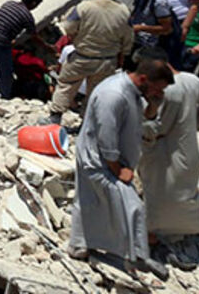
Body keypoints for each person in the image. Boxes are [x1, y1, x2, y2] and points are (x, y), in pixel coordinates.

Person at [68, 57, 174, 279]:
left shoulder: (134, 91)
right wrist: (118, 169)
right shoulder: (113, 94)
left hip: (112, 161)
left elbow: (143, 116)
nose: (159, 92)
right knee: (132, 206)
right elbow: (106, 137)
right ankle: (137, 256)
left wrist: (154, 104)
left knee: (94, 202)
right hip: (99, 160)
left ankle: (82, 245)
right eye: (158, 88)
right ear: (143, 79)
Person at [136, 47, 199, 244]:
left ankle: (153, 234)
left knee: (158, 195)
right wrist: (194, 124)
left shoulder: (162, 91)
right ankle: (185, 230)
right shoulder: (192, 80)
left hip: (164, 152)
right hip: (188, 149)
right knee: (184, 193)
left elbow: (153, 127)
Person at [47, 0, 134, 124]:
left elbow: (68, 29)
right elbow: (128, 38)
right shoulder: (124, 11)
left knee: (66, 85)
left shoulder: (84, 7)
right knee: (96, 93)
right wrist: (122, 57)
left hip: (82, 57)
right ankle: (87, 124)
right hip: (107, 61)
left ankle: (54, 118)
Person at [127, 0, 180, 65]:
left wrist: (141, 28)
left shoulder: (159, 2)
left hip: (152, 50)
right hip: (138, 45)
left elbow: (167, 29)